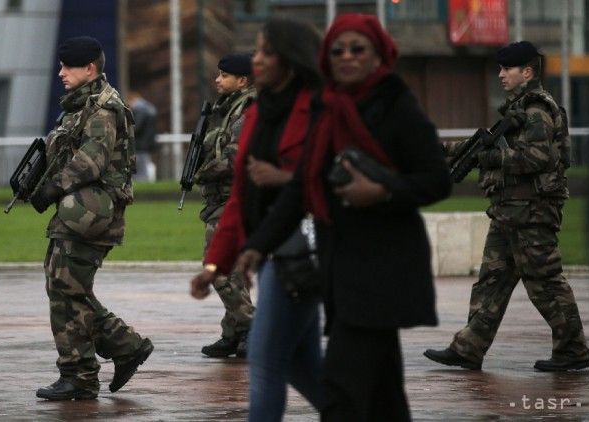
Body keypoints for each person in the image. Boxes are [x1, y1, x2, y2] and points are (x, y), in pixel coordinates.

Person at [234, 14, 451, 421]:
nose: (347, 57)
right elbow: (302, 188)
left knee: (341, 392)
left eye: (358, 49)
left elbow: (436, 180)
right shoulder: (327, 109)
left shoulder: (396, 104)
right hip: (341, 263)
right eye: (337, 50)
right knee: (384, 395)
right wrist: (257, 244)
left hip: (384, 266)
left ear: (378, 56)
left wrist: (383, 191)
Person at [424, 41, 589, 372]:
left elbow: (540, 157)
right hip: (510, 211)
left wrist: (494, 158)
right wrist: (444, 149)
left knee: (545, 282)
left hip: (531, 213)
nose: (500, 75)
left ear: (526, 72)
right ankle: (468, 347)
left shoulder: (536, 111)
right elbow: (486, 146)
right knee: (492, 279)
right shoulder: (518, 111)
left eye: (506, 69)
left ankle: (572, 349)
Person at [190, 18, 323, 421]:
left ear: (290, 59)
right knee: (303, 366)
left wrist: (286, 178)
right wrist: (216, 263)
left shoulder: (321, 107)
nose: (258, 60)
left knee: (264, 363)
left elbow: (333, 177)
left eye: (266, 52)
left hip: (308, 250)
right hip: (273, 252)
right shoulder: (263, 111)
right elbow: (242, 197)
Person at [30, 36, 153, 400]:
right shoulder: (81, 106)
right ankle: (123, 346)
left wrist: (53, 187)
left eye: (68, 66)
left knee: (66, 287)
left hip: (91, 214)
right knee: (64, 285)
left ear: (90, 69)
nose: (61, 72)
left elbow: (91, 161)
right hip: (80, 212)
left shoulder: (103, 109)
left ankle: (80, 376)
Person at [193, 53, 257, 358]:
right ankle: (234, 332)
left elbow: (233, 157)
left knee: (216, 266)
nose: (217, 80)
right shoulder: (229, 109)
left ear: (242, 80)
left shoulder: (247, 111)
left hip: (235, 199)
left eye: (224, 75)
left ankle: (251, 325)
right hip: (223, 198)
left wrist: (200, 171)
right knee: (227, 266)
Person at [127, 90, 158, 182]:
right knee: (144, 165)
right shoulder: (149, 108)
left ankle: (142, 184)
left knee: (141, 168)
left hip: (141, 144)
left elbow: (136, 127)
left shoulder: (141, 110)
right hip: (146, 144)